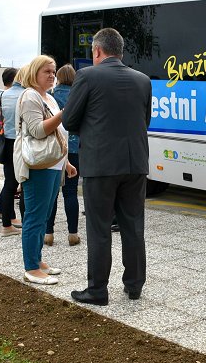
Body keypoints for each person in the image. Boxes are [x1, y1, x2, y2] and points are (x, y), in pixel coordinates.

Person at [63, 28, 151, 306]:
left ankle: (98, 290)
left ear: (97, 51)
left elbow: (70, 121)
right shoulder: (143, 80)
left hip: (100, 164)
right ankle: (134, 285)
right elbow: (144, 119)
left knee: (99, 228)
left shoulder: (87, 76)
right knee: (134, 225)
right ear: (120, 51)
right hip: (135, 163)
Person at [14, 55, 77, 285]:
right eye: (46, 72)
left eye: (53, 71)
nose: (51, 75)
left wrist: (66, 162)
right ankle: (31, 267)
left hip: (53, 163)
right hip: (39, 165)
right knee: (35, 216)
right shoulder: (30, 96)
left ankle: (37, 259)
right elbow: (38, 131)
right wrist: (64, 112)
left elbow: (58, 134)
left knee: (43, 216)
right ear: (34, 73)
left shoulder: (48, 97)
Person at [44, 64, 82, 246]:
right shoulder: (78, 97)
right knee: (71, 192)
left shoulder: (49, 97)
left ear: (58, 77)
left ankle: (48, 234)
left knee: (52, 193)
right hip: (74, 149)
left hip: (55, 149)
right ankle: (73, 234)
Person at [0, 67, 23, 236]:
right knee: (23, 183)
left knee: (9, 183)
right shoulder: (27, 94)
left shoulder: (3, 95)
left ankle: (6, 223)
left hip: (6, 142)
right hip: (22, 142)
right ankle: (14, 222)